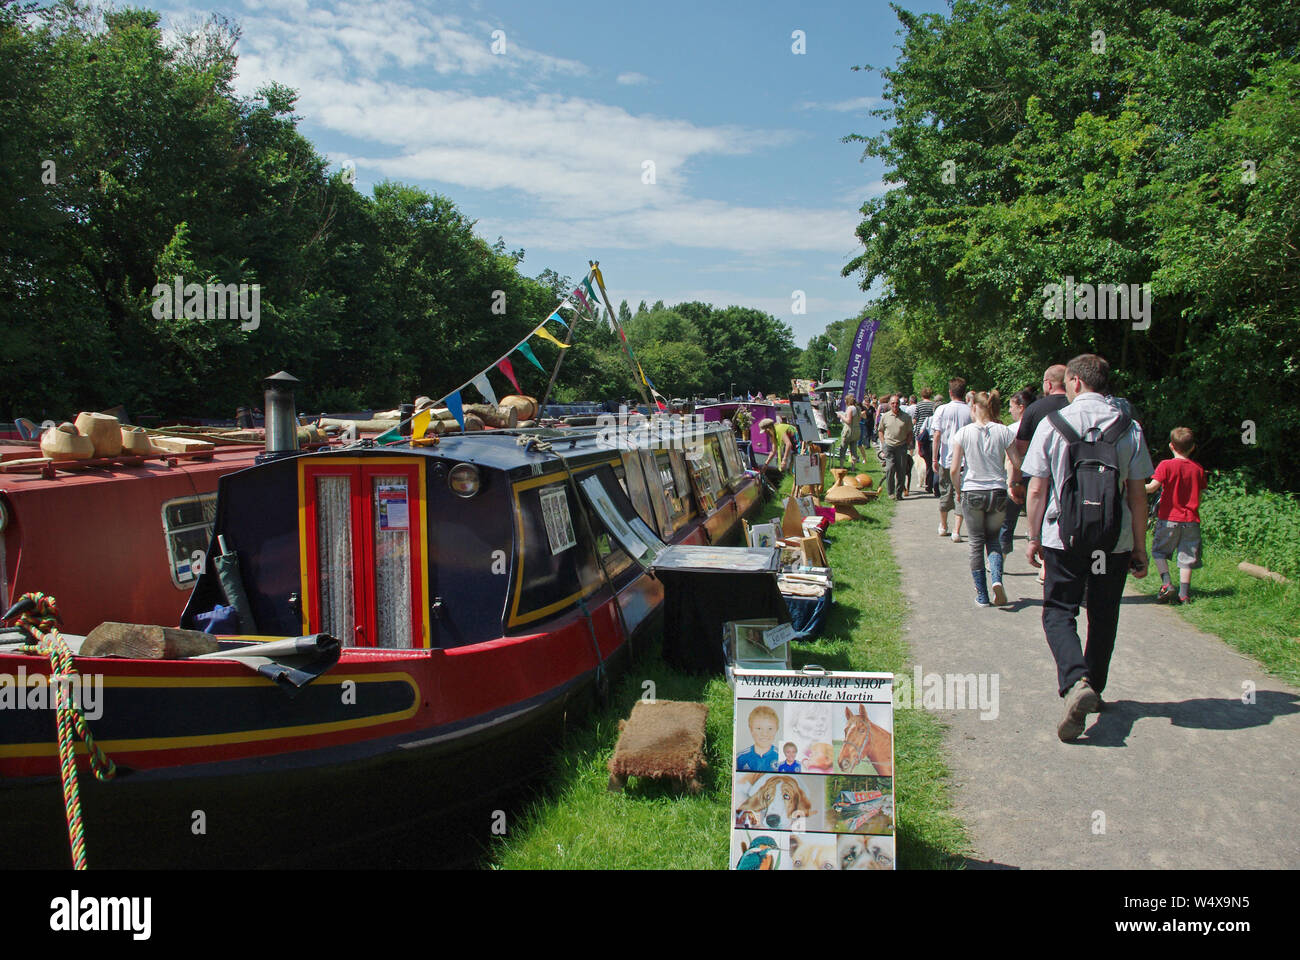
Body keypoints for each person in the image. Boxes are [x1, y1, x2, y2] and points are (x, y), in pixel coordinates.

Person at [1022, 354, 1153, 742]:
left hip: (1064, 537)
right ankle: (1094, 685)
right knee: (1103, 612)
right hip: (1113, 541)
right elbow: (1138, 494)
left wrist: (1032, 538)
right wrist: (1140, 546)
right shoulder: (1129, 427)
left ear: (1075, 381)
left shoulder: (1053, 424)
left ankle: (1076, 682)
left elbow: (1036, 488)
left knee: (1059, 611)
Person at [950, 390, 1021, 606]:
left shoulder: (963, 433)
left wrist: (958, 489)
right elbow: (1017, 463)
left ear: (974, 408)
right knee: (993, 540)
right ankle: (997, 580)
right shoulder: (1004, 431)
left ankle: (982, 595)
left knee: (975, 544)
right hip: (997, 491)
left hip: (972, 490)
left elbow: (954, 469)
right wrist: (1014, 483)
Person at [1013, 365, 1069, 581]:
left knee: (1045, 515)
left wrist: (1016, 479)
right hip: (1072, 474)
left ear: (1048, 383)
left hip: (1042, 473)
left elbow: (1020, 446)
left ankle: (1046, 566)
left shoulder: (1036, 409)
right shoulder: (1075, 405)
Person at [1145, 427, 1207, 604]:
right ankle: (1184, 595)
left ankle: (1166, 584)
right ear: (1193, 447)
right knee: (1187, 557)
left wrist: (1132, 487)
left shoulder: (1166, 465)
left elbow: (1152, 488)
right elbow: (1200, 496)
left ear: (1171, 446)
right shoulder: (1198, 469)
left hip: (1168, 518)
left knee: (1158, 551)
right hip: (1191, 520)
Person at [930, 378, 971, 540]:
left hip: (946, 458)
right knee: (960, 494)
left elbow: (937, 435)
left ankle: (943, 525)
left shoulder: (941, 410)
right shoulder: (970, 411)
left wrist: (934, 458)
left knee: (945, 491)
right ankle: (957, 530)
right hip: (964, 461)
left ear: (950, 392)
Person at [999, 388, 1036, 555]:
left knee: (1007, 522)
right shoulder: (1041, 425)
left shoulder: (1012, 429)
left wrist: (1010, 482)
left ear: (1021, 407)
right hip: (1036, 478)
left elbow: (1009, 460)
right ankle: (1043, 566)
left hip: (1016, 479)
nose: (1009, 410)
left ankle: (1000, 560)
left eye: (1011, 406)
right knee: (1037, 522)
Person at [879, 394, 913, 500]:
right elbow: (880, 431)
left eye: (897, 403)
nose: (895, 405)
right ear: (890, 404)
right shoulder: (885, 416)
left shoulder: (906, 417)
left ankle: (899, 494)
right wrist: (884, 444)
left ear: (900, 404)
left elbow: (910, 432)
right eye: (893, 403)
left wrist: (907, 444)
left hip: (901, 446)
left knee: (901, 470)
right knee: (890, 468)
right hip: (889, 446)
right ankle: (890, 493)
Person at [736, 705, 780, 771]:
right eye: (759, 728)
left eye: (770, 728)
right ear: (751, 730)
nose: (765, 734)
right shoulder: (739, 757)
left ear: (776, 729)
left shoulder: (782, 757)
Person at [913, 388, 937, 494]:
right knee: (931, 458)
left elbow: (915, 419)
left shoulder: (919, 405)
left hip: (921, 434)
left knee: (921, 459)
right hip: (931, 432)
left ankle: (923, 479)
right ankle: (930, 480)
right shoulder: (933, 405)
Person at [838, 396, 862, 465]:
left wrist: (841, 416)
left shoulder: (850, 408)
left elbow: (848, 421)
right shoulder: (858, 408)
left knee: (843, 449)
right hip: (857, 430)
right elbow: (859, 419)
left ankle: (841, 466)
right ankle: (853, 467)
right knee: (853, 450)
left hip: (849, 431)